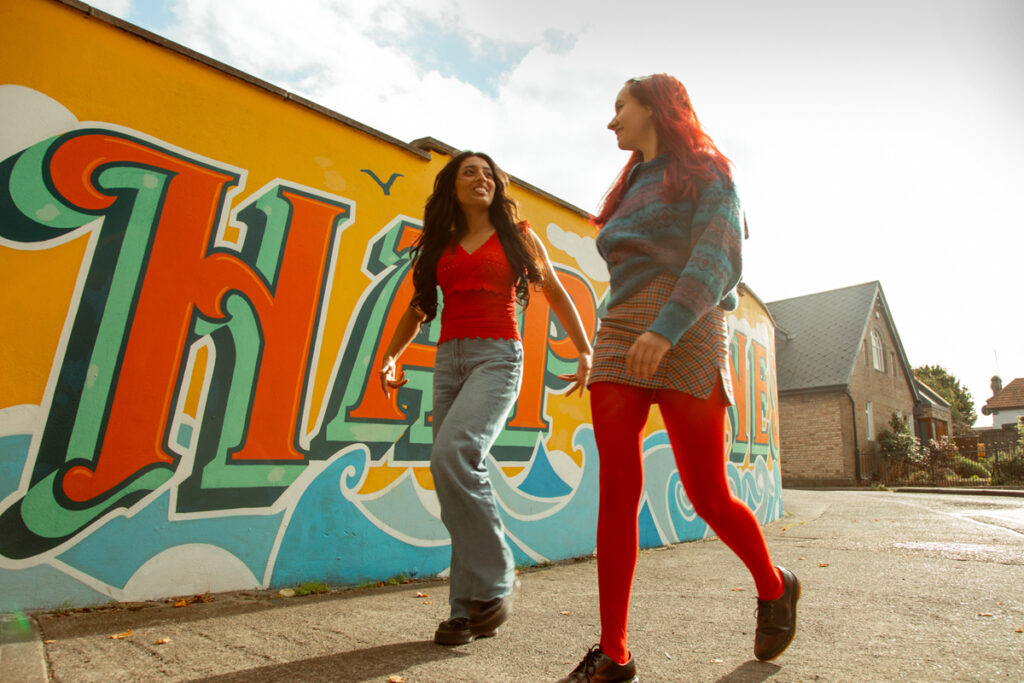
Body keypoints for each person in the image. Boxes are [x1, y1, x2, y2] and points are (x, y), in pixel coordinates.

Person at [558, 75, 799, 682]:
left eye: (620, 107)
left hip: (687, 327)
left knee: (706, 492)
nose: (611, 121)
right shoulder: (626, 188)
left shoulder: (708, 170)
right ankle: (614, 654)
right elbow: (625, 273)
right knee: (616, 486)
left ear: (654, 107)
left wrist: (664, 328)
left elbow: (718, 256)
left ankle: (774, 587)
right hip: (619, 333)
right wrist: (601, 342)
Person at [380, 150, 593, 646]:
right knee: (453, 479)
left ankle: (497, 576)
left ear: (499, 185)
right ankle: (465, 610)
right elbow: (419, 307)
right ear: (452, 187)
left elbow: (556, 292)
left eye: (488, 173)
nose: (481, 179)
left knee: (456, 454)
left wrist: (585, 349)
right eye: (468, 172)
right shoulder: (442, 243)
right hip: (447, 362)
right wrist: (390, 356)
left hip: (498, 358)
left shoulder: (518, 235)